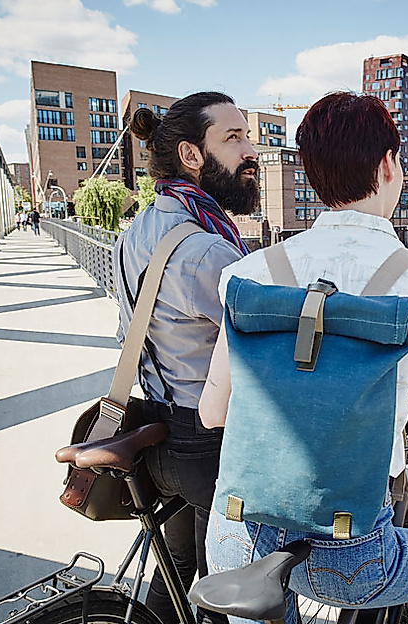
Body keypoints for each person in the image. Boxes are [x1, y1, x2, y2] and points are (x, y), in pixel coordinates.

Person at [199, 92, 408, 624]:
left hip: (236, 533)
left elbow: (212, 413)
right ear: (387, 164)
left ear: (311, 174)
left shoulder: (248, 275)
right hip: (346, 550)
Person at [112, 91, 258, 624]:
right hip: (209, 446)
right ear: (193, 156)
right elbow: (266, 350)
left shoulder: (136, 232)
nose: (251, 149)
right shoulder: (209, 251)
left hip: (157, 433)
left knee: (175, 571)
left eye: (247, 134)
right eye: (233, 137)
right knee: (228, 590)